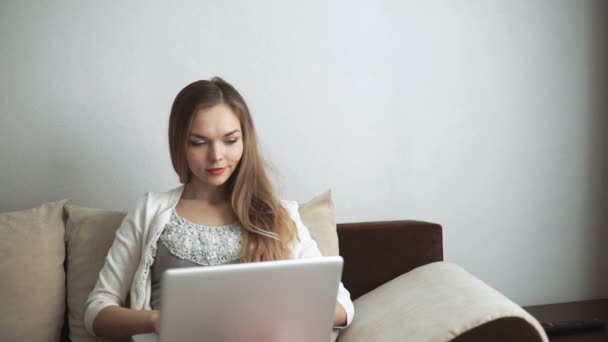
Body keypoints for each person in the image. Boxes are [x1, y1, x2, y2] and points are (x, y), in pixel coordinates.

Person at [84, 77, 354, 339]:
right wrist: (159, 320)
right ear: (180, 144)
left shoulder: (277, 215)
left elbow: (342, 305)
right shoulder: (150, 210)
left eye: (230, 140)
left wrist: (279, 317)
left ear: (245, 140)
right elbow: (97, 312)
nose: (216, 155)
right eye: (199, 142)